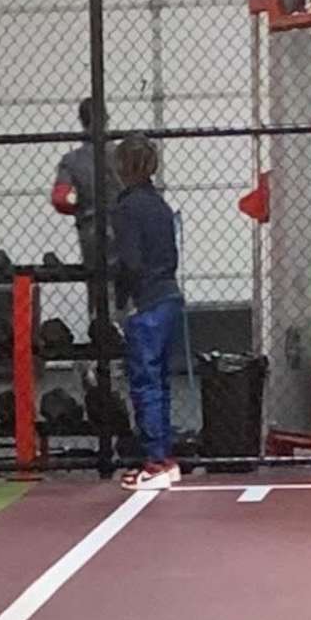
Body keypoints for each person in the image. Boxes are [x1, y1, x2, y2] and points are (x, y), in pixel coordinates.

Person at [111, 133, 188, 473]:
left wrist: (122, 301)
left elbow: (130, 261)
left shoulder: (126, 208)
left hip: (147, 302)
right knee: (161, 380)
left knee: (144, 380)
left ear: (121, 167)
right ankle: (163, 452)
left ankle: (154, 459)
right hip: (170, 295)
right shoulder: (160, 205)